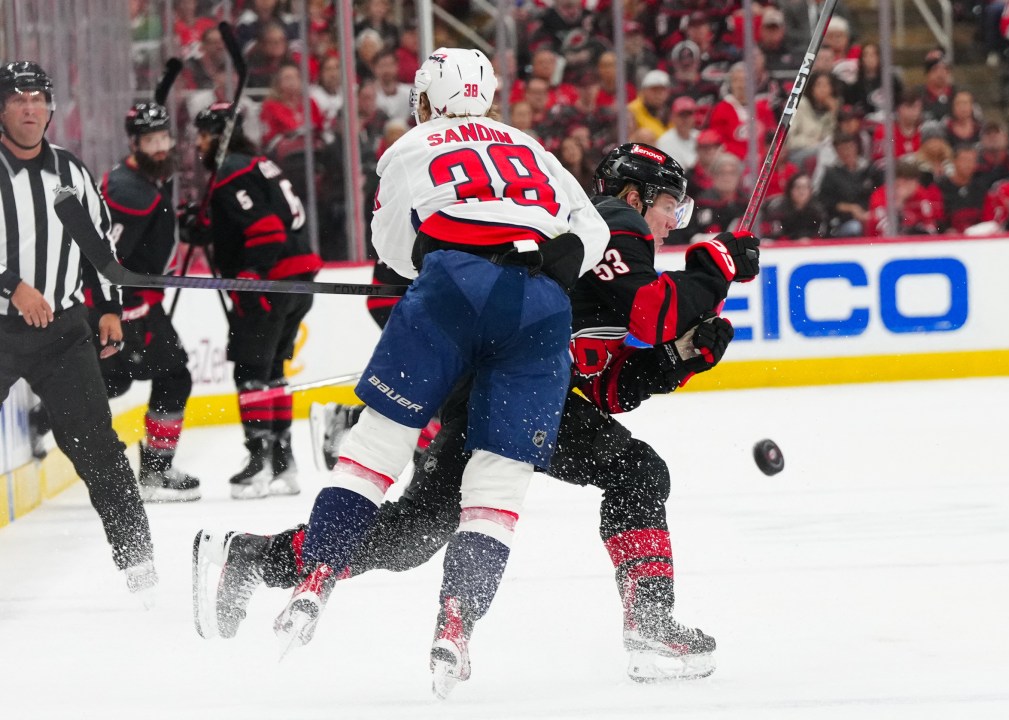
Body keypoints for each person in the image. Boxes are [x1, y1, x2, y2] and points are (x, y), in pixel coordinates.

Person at [194, 142, 761, 685]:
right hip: (517, 388)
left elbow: (609, 387)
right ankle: (650, 624)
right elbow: (650, 312)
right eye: (671, 206)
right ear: (636, 196)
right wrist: (715, 267)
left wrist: (676, 360)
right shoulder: (614, 220)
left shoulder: (614, 247)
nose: (674, 222)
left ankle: (251, 557)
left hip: (513, 391)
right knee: (637, 472)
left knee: (413, 534)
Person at [193, 47, 611, 698]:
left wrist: (440, 266)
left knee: (373, 455)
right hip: (539, 312)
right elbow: (590, 232)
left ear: (426, 99)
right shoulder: (532, 148)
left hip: (451, 294)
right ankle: (456, 622)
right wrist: (547, 264)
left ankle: (315, 576)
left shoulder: (413, 145)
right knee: (496, 495)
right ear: (490, 97)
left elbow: (391, 249)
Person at [0, 61, 156, 598]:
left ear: (49, 108)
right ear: (1, 108)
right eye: (18, 99)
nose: (29, 109)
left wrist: (109, 306)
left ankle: (139, 563)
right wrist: (11, 286)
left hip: (63, 332)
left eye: (38, 99)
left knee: (98, 447)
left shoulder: (69, 172)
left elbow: (98, 246)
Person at [191, 101, 323, 499]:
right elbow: (248, 221)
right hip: (299, 280)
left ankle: (258, 464)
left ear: (217, 135)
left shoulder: (230, 169)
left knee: (250, 371)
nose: (198, 144)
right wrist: (203, 226)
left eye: (202, 135)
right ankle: (284, 463)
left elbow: (266, 230)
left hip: (270, 283)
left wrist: (250, 278)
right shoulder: (258, 162)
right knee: (274, 370)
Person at [96, 101, 201, 501]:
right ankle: (156, 475)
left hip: (138, 303)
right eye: (152, 140)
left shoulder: (145, 180)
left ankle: (156, 469)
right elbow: (105, 258)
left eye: (165, 138)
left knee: (120, 379)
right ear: (135, 143)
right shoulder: (129, 191)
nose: (161, 147)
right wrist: (114, 308)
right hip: (127, 309)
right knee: (166, 376)